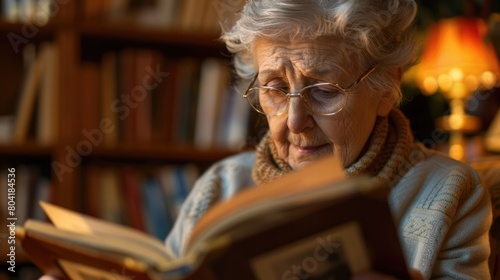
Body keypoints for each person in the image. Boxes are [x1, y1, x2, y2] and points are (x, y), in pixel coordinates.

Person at [164, 0, 493, 279]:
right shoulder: (219, 188)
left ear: (386, 89)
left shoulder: (448, 190)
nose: (294, 121)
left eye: (323, 91)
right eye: (275, 88)